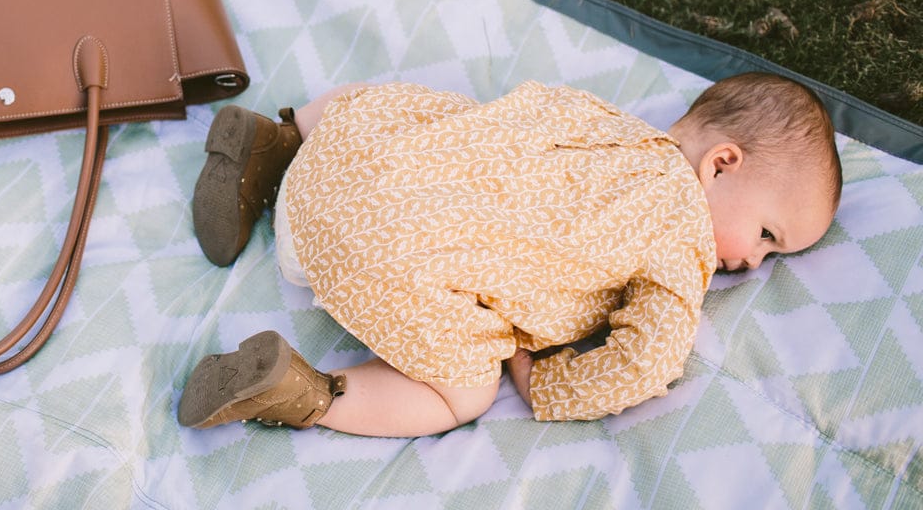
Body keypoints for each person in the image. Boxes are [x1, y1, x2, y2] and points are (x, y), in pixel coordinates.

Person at [177, 72, 842, 436]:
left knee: (427, 108)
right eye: (767, 236)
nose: (754, 264)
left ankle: (276, 141)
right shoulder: (684, 239)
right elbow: (645, 361)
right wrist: (544, 384)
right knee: (464, 396)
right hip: (371, 256)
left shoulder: (601, 116)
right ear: (722, 164)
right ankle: (307, 393)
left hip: (343, 155)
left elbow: (512, 112)